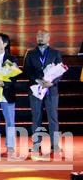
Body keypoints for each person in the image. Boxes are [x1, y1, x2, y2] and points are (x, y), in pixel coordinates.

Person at [24, 29, 64, 157]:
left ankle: (55, 144)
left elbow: (60, 70)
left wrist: (53, 82)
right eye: (38, 36)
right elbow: (27, 70)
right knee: (36, 117)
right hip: (36, 90)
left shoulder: (55, 53)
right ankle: (36, 144)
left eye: (43, 36)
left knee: (53, 118)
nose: (40, 38)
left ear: (48, 38)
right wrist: (37, 80)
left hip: (51, 90)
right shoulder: (30, 54)